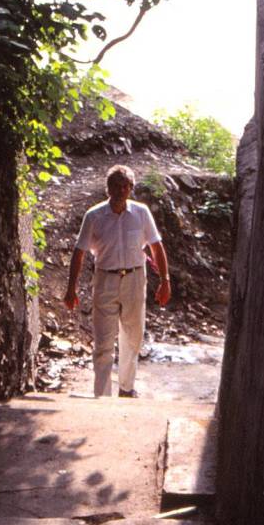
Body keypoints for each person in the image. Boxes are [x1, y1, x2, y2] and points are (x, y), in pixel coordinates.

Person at [64, 164, 171, 397]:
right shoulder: (93, 216)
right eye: (116, 186)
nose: (122, 191)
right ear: (108, 189)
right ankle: (102, 396)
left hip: (135, 278)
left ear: (131, 188)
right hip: (105, 281)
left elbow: (156, 246)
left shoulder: (141, 213)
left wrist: (165, 280)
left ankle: (126, 389)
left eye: (126, 186)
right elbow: (79, 252)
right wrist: (71, 288)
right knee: (103, 342)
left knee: (132, 338)